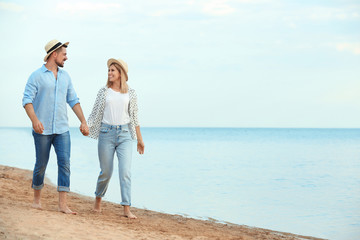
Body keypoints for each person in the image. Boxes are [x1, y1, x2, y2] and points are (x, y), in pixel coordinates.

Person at [22, 39, 89, 214]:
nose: (66, 57)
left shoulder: (66, 76)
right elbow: (27, 100)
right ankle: (37, 200)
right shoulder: (36, 76)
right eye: (64, 54)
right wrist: (34, 120)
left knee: (65, 163)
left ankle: (62, 204)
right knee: (41, 164)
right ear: (54, 54)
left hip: (62, 129)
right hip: (42, 129)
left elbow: (73, 100)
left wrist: (83, 121)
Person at [87, 58, 144, 219]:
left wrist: (140, 139)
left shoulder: (131, 93)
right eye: (109, 70)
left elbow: (135, 118)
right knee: (106, 171)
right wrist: (86, 126)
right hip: (106, 134)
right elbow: (94, 113)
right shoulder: (103, 92)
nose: (109, 73)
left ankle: (126, 208)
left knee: (125, 171)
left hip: (125, 135)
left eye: (113, 70)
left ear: (121, 73)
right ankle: (98, 198)